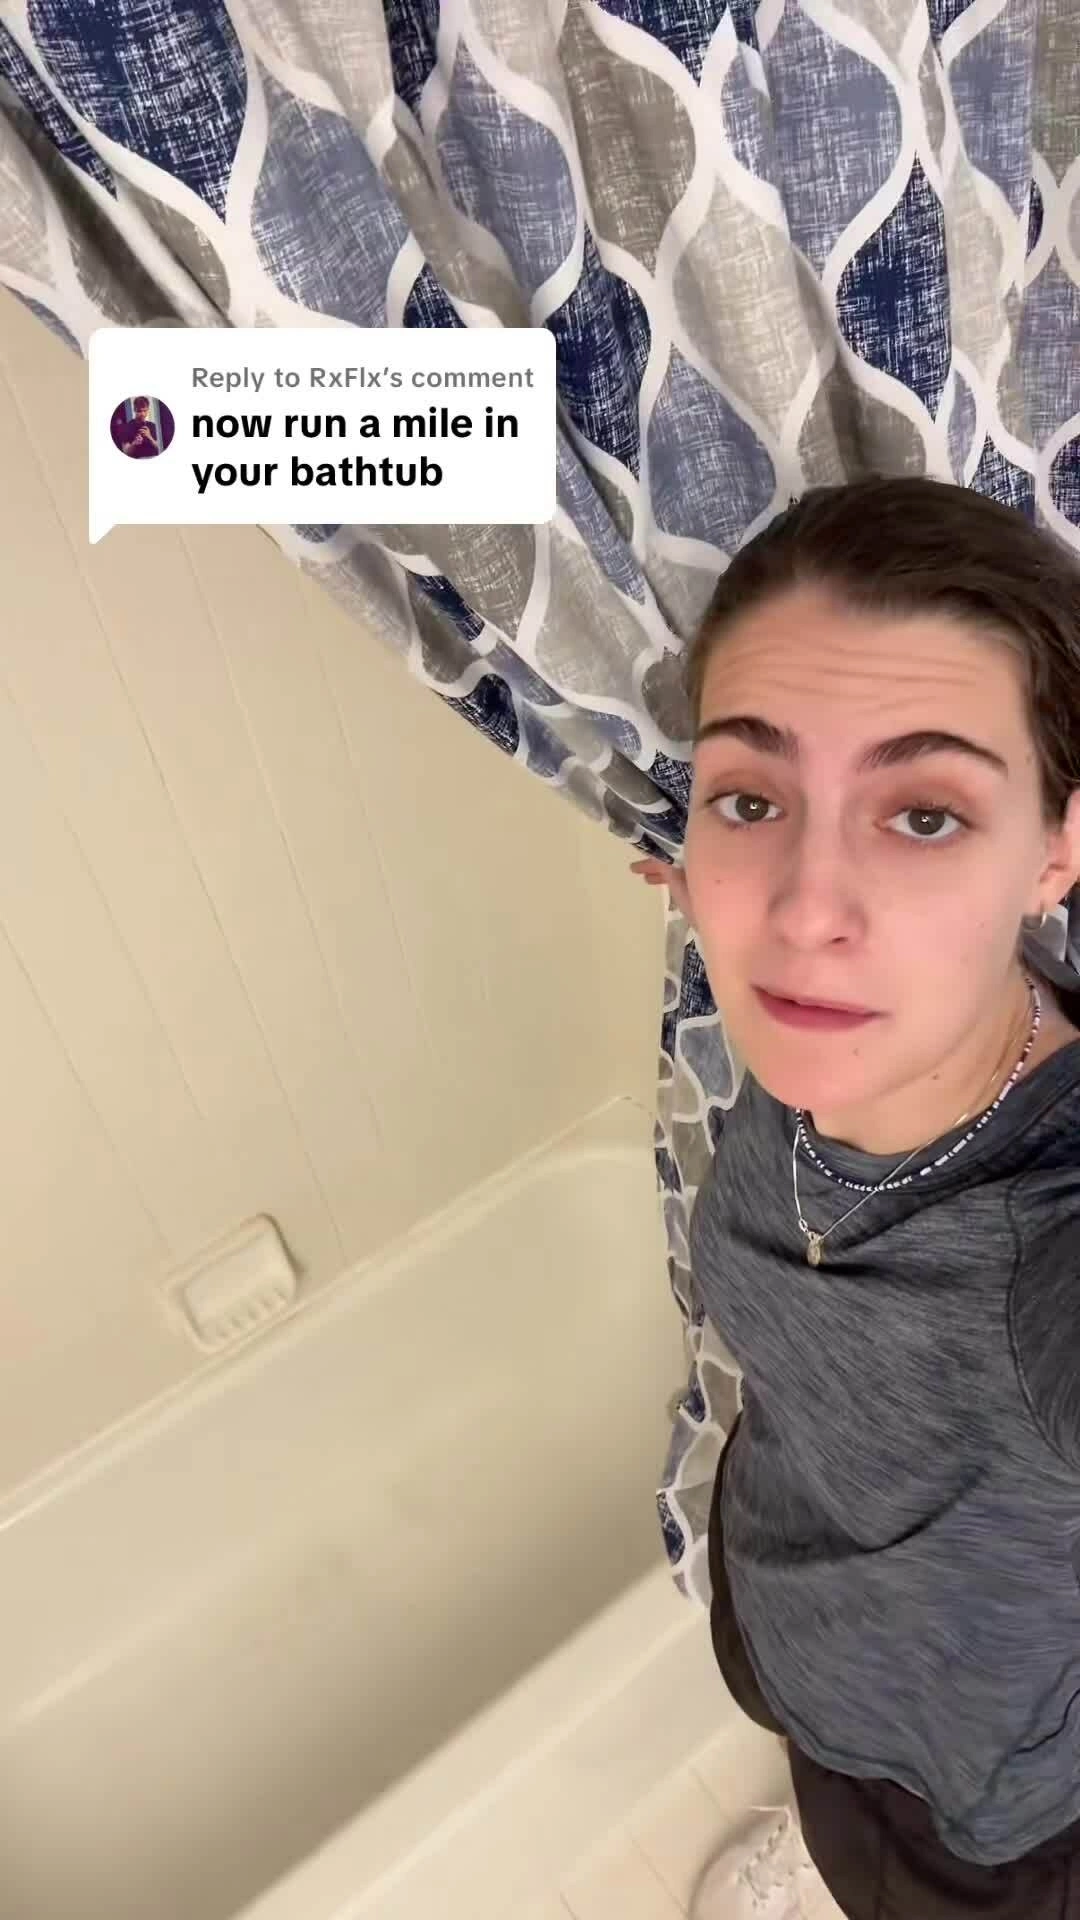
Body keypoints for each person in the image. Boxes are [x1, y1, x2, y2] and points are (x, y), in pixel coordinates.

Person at [632, 475, 1080, 1919]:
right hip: (786, 1598)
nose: (802, 908)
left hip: (969, 1809)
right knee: (810, 1757)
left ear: (1055, 853)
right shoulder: (831, 1019)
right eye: (751, 798)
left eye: (926, 814)